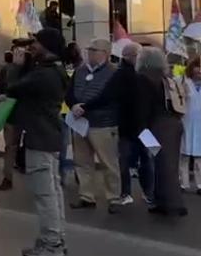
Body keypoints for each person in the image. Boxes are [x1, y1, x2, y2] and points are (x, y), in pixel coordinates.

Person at [6, 28, 69, 256]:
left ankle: (51, 242)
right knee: (53, 190)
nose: (31, 46)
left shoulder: (44, 74)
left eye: (35, 42)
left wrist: (16, 64)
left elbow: (12, 87)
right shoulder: (55, 70)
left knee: (44, 193)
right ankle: (57, 236)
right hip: (48, 136)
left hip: (40, 137)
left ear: (46, 45)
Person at [81, 41, 151, 207]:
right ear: (129, 57)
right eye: (138, 55)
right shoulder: (123, 74)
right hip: (131, 126)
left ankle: (147, 192)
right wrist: (86, 107)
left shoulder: (142, 73)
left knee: (145, 159)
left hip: (140, 126)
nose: (140, 58)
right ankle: (129, 192)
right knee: (127, 160)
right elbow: (107, 96)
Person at [66, 39, 121, 213]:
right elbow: (69, 91)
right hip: (80, 123)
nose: (89, 53)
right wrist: (73, 104)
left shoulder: (114, 72)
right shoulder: (80, 70)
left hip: (103, 124)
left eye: (94, 50)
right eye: (89, 50)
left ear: (105, 53)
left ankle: (113, 197)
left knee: (108, 163)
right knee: (82, 162)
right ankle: (86, 196)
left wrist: (85, 107)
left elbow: (108, 96)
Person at [135, 47, 187, 217]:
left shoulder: (144, 78)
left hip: (157, 126)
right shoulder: (166, 77)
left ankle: (171, 204)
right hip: (174, 124)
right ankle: (165, 201)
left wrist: (141, 129)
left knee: (162, 164)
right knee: (168, 164)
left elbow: (143, 106)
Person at [0, 43, 32, 191]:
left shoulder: (32, 70)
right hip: (11, 113)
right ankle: (7, 177)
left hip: (29, 113)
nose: (18, 55)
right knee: (10, 146)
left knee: (32, 146)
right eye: (16, 52)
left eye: (22, 52)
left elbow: (27, 88)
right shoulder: (7, 69)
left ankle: (30, 172)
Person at [181, 57, 201, 194]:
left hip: (200, 123)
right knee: (184, 155)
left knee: (200, 156)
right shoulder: (183, 82)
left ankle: (200, 184)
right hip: (186, 121)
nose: (199, 70)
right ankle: (183, 183)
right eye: (197, 66)